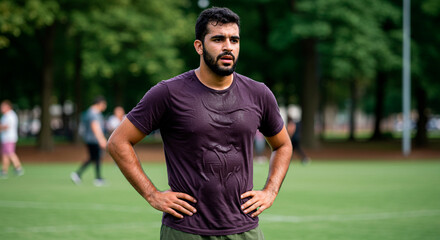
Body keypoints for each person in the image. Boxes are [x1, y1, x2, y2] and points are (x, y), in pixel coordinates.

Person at [107, 7, 292, 239]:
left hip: (244, 230)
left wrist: (270, 191)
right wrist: (152, 194)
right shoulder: (168, 93)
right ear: (199, 46)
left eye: (234, 40)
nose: (228, 47)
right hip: (186, 231)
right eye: (218, 39)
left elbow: (283, 145)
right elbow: (118, 142)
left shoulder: (259, 93)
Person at [71, 96, 107, 186]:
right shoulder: (93, 113)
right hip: (93, 140)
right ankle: (97, 178)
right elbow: (95, 127)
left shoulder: (91, 112)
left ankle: (79, 174)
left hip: (91, 140)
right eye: (104, 104)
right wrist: (101, 140)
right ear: (100, 103)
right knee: (96, 158)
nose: (105, 106)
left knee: (94, 158)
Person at [0, 100, 24, 178]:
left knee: (10, 153)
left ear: (8, 107)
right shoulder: (5, 115)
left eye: (3, 106)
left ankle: (18, 168)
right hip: (5, 138)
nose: (1, 108)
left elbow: (7, 126)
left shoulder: (10, 115)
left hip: (9, 138)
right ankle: (4, 170)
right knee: (5, 155)